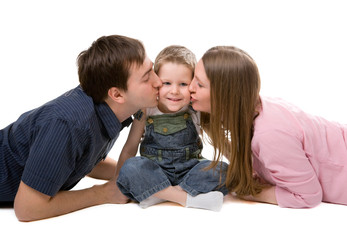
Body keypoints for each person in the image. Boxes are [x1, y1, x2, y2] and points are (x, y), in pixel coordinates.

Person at [0, 35, 162, 221]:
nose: (158, 82)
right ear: (116, 94)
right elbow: (27, 208)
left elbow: (77, 159)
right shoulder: (69, 125)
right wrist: (103, 193)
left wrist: (132, 174)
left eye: (153, 69)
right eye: (146, 77)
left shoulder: (108, 108)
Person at [189, 45, 347, 208]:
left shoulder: (270, 134)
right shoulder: (256, 107)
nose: (190, 88)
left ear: (226, 97)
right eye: (193, 78)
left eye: (199, 85)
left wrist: (250, 193)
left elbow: (308, 196)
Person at [116, 45, 228, 211]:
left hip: (190, 170)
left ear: (193, 85)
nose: (174, 91)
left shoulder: (195, 107)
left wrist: (245, 168)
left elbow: (222, 142)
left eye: (183, 84)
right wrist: (117, 182)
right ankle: (188, 199)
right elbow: (130, 148)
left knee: (224, 170)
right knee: (131, 167)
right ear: (156, 83)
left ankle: (160, 194)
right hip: (155, 171)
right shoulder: (146, 109)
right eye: (166, 83)